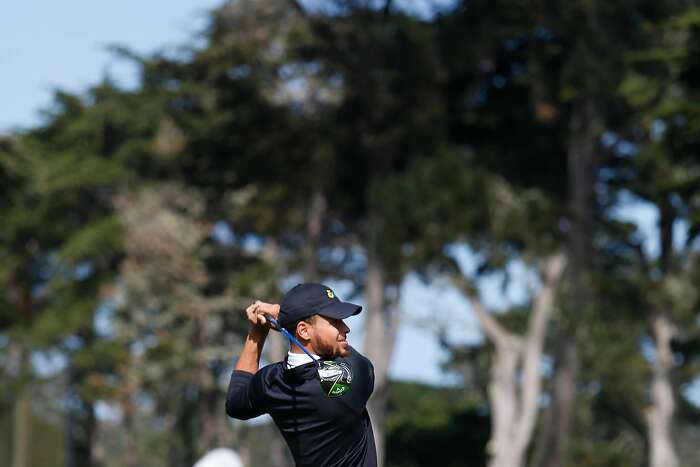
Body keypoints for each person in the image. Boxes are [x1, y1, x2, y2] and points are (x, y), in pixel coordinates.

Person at [226, 283, 377, 467]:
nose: (345, 328)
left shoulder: (271, 381)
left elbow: (235, 403)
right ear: (304, 330)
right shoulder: (343, 382)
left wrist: (257, 334)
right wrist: (280, 313)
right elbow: (363, 366)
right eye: (335, 322)